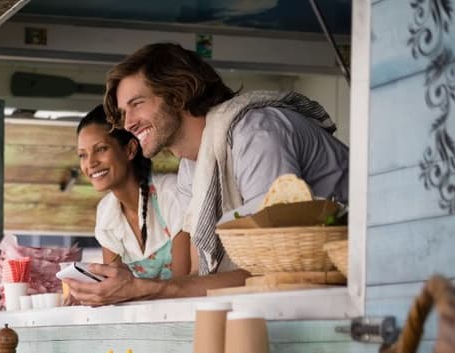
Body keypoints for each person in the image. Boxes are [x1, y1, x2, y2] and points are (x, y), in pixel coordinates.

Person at [70, 42, 350, 305]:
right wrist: (135, 289)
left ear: (178, 93)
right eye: (123, 111)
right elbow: (199, 278)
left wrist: (146, 288)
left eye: (137, 103)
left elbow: (275, 272)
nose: (128, 122)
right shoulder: (192, 169)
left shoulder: (255, 134)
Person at [76, 105, 190, 282]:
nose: (90, 163)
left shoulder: (171, 193)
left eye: (100, 149)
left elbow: (183, 284)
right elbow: (115, 286)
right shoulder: (106, 212)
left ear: (130, 149)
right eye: (82, 155)